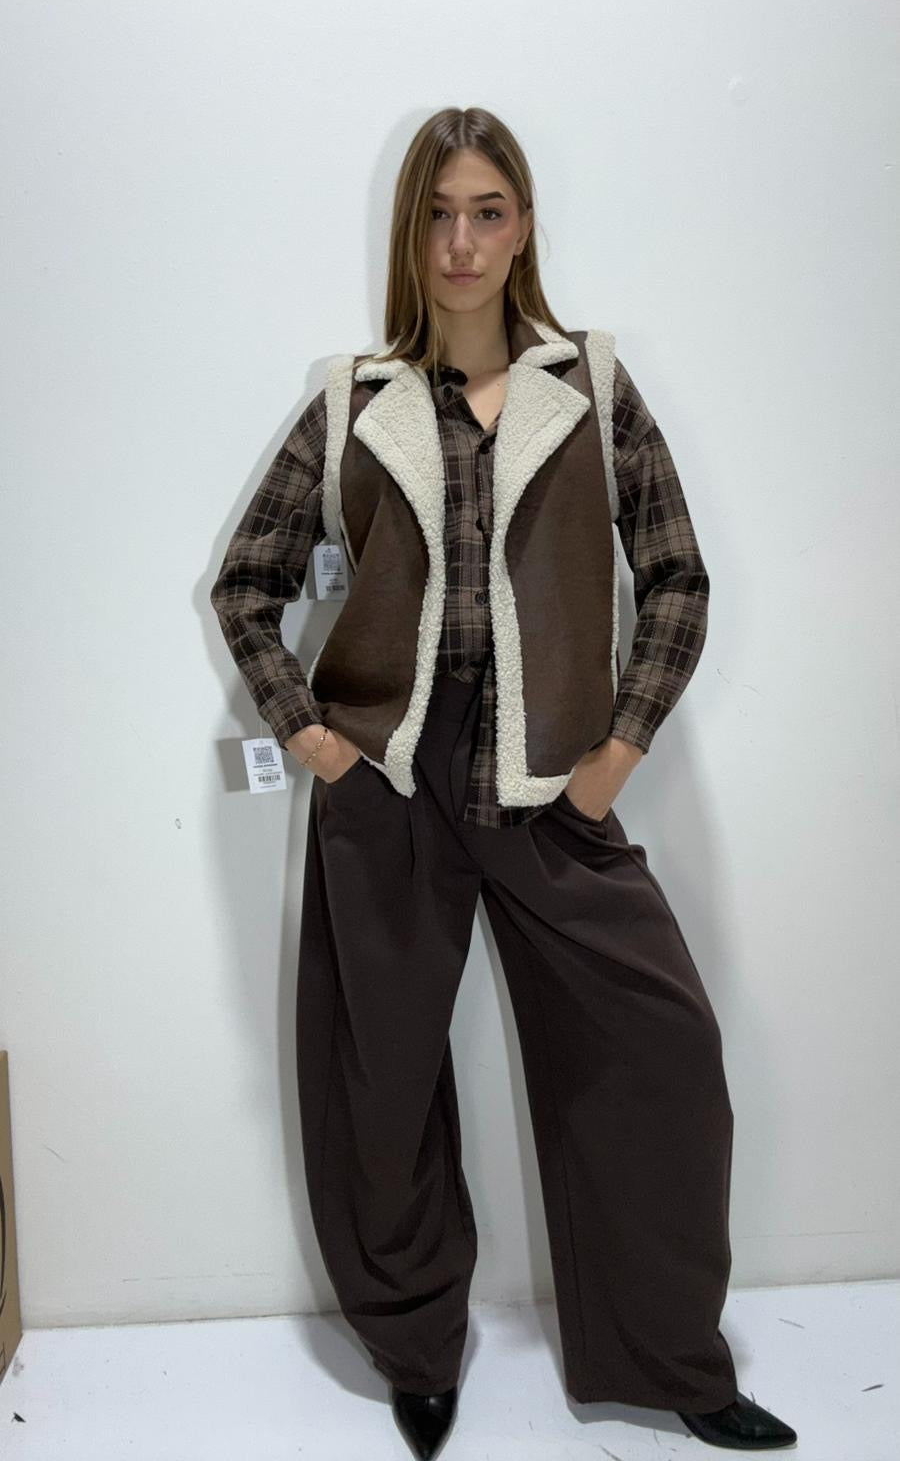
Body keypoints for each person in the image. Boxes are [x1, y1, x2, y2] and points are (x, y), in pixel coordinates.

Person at [209, 106, 797, 1457]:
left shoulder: (591, 387)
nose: (461, 242)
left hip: (553, 783)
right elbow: (245, 586)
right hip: (391, 780)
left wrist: (616, 759)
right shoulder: (353, 401)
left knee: (661, 1055)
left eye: (486, 211)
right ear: (408, 232)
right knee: (382, 1081)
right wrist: (319, 744)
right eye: (436, 214)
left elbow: (678, 578)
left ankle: (670, 1360)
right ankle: (417, 1351)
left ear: (524, 224)